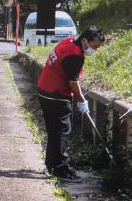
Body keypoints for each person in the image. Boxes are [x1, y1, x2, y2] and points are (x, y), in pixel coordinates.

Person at [38, 25, 105, 183]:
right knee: (62, 132)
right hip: (56, 95)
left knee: (54, 131)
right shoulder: (75, 55)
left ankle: (51, 164)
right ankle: (61, 169)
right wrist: (82, 101)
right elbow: (73, 83)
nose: (94, 51)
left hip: (44, 91)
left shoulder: (68, 42)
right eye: (94, 47)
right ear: (84, 40)